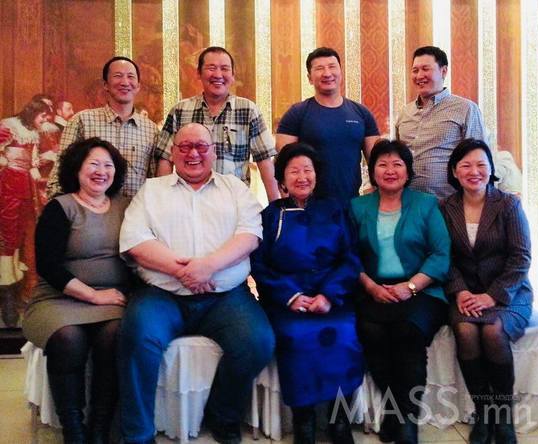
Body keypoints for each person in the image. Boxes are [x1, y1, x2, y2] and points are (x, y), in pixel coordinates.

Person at [119, 123, 275, 444]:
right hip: (162, 295)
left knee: (258, 342)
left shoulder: (235, 188)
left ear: (214, 152)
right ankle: (137, 434)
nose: (194, 153)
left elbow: (250, 235)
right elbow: (135, 242)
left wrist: (208, 267)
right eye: (185, 146)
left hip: (225, 297)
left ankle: (223, 416)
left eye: (202, 147)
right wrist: (185, 273)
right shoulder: (152, 191)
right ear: (173, 152)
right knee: (137, 338)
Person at [251, 143, 363, 444]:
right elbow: (259, 265)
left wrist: (328, 295)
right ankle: (304, 421)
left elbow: (351, 258)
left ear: (316, 175)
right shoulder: (270, 215)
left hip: (333, 297)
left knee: (344, 331)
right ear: (282, 179)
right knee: (295, 335)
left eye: (307, 170)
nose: (302, 177)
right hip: (287, 300)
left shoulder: (335, 209)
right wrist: (290, 296)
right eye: (294, 171)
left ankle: (340, 420)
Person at [22, 137, 131, 444]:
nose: (101, 171)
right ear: (77, 169)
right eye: (93, 164)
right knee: (68, 339)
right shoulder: (60, 207)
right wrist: (93, 295)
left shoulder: (126, 206)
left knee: (115, 335)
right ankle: (74, 430)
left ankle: (99, 428)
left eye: (108, 165)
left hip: (111, 299)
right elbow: (48, 266)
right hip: (58, 299)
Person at [350, 139, 450, 444]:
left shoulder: (425, 204)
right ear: (372, 171)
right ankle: (395, 411)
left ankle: (405, 419)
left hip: (422, 291)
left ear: (408, 172)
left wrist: (410, 286)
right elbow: (348, 255)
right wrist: (370, 286)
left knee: (407, 332)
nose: (390, 170)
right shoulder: (358, 207)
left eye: (397, 164)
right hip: (374, 289)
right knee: (371, 331)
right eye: (382, 164)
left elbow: (441, 254)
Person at [440, 138, 532, 444]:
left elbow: (521, 258)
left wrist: (492, 296)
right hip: (465, 293)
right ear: (455, 171)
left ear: (491, 169)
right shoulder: (445, 208)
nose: (474, 171)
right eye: (465, 165)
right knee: (466, 330)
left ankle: (502, 415)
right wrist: (460, 292)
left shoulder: (508, 205)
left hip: (509, 293)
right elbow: (443, 257)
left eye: (481, 164)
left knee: (493, 330)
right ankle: (483, 412)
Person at [155, 46, 279, 201]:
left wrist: (276, 206)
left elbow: (264, 161)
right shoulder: (180, 110)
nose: (218, 75)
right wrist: (163, 201)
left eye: (224, 68)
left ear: (233, 75)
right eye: (211, 68)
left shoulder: (248, 110)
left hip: (234, 202)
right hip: (188, 202)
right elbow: (165, 159)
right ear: (199, 73)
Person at [46, 56, 171, 198]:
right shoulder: (82, 121)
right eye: (118, 76)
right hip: (89, 209)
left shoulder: (151, 130)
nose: (125, 82)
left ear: (138, 86)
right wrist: (61, 207)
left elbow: (154, 181)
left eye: (130, 77)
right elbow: (60, 174)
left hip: (135, 209)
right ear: (105, 84)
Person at [276, 47, 380, 205]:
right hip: (308, 207)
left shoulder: (361, 113)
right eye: (319, 68)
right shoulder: (296, 114)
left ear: (341, 73)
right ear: (309, 78)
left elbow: (377, 161)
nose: (327, 73)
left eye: (332, 67)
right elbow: (283, 164)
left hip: (351, 205)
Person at [395, 46, 486, 199]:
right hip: (408, 203)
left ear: (443, 71)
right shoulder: (405, 112)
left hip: (449, 203)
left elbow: (478, 158)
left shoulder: (465, 109)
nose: (419, 75)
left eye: (426, 69)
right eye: (415, 70)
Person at [0, 100, 52, 327]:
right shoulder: (9, 126)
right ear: (33, 113)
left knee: (24, 235)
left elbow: (31, 163)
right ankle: (7, 294)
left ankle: (20, 290)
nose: (45, 120)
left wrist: (41, 167)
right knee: (7, 236)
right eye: (43, 116)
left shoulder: (34, 134)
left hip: (24, 188)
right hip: (7, 186)